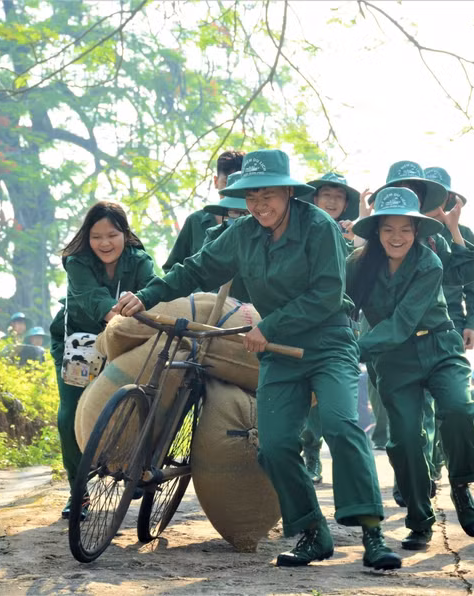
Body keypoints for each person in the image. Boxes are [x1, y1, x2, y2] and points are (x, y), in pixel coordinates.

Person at [116, 149, 401, 570]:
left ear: (288, 192)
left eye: (268, 195)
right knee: (273, 445)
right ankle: (311, 532)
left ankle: (372, 533)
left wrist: (270, 326)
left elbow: (325, 293)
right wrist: (147, 294)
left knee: (341, 426)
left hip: (329, 340)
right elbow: (195, 269)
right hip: (277, 353)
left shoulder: (318, 226)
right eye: (251, 197)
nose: (259, 205)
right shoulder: (243, 233)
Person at [348, 186, 474, 551]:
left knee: (459, 409)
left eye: (406, 229)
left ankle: (461, 485)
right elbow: (340, 307)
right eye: (388, 229)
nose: (398, 237)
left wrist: (354, 349)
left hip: (439, 346)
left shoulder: (430, 263)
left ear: (417, 231)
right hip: (394, 361)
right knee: (405, 439)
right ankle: (419, 518)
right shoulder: (357, 265)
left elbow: (402, 321)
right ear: (376, 231)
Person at [48, 201, 157, 520]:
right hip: (79, 345)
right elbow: (92, 298)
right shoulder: (77, 261)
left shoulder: (140, 261)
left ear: (125, 234)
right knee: (70, 414)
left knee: (135, 404)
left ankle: (129, 466)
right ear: (87, 237)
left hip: (125, 343)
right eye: (96, 236)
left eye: (112, 234)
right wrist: (120, 316)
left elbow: (155, 291)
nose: (105, 243)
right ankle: (77, 493)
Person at [297, 172, 362, 484]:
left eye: (339, 196)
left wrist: (353, 242)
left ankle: (314, 457)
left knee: (326, 402)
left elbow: (358, 280)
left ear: (346, 203)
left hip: (337, 327)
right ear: (315, 199)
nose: (332, 201)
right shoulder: (300, 228)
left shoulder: (355, 235)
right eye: (326, 195)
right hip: (297, 322)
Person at [423, 167, 474, 350]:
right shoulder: (404, 230)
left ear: (449, 199)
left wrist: (471, 323)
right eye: (428, 194)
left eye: (439, 195)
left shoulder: (462, 233)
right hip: (408, 321)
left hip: (451, 321)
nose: (433, 201)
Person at [162, 149, 244, 273]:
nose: (231, 190)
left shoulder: (257, 222)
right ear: (216, 182)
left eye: (239, 183)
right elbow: (172, 269)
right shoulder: (195, 221)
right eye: (226, 182)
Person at [200, 171, 252, 303]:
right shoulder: (215, 235)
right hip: (220, 310)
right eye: (235, 212)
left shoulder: (269, 237)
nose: (240, 219)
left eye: (245, 213)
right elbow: (200, 271)